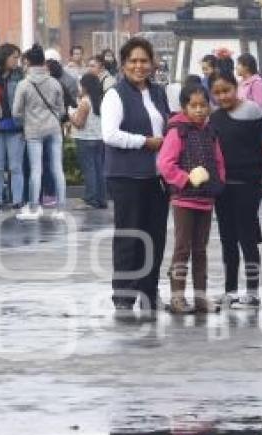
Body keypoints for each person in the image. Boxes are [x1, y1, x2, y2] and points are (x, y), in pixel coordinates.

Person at [101, 37, 171, 314]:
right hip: (127, 176)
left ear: (152, 64)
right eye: (133, 61)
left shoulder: (158, 93)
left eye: (144, 61)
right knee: (130, 236)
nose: (139, 66)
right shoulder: (115, 94)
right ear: (123, 64)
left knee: (155, 237)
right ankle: (124, 296)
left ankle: (149, 293)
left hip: (156, 177)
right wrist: (145, 141)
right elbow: (110, 135)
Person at [157, 83, 226, 314]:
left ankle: (200, 297)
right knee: (182, 248)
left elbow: (218, 162)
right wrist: (185, 179)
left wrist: (219, 182)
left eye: (203, 105)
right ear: (184, 107)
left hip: (206, 200)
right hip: (184, 200)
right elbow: (165, 164)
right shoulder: (178, 131)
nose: (198, 110)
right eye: (193, 106)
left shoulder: (210, 131)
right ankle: (177, 297)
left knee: (200, 249)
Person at [209, 72, 262, 309]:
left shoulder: (253, 111)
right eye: (218, 92)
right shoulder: (215, 118)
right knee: (227, 239)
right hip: (223, 188)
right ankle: (230, 290)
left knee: (247, 238)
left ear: (236, 88)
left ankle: (252, 292)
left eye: (227, 90)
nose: (223, 96)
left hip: (248, 186)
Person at [13, 44, 66, 219]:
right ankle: (61, 209)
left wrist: (26, 119)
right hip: (54, 128)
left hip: (33, 130)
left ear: (27, 62)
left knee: (36, 170)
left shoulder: (24, 84)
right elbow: (62, 110)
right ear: (44, 61)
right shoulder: (55, 82)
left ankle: (34, 208)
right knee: (57, 169)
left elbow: (16, 112)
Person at [0, 43, 25, 212]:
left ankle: (17, 200)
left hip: (15, 126)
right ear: (4, 56)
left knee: (16, 166)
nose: (17, 61)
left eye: (18, 58)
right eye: (14, 57)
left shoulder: (20, 76)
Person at [70, 73, 107, 209]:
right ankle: (101, 199)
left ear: (85, 86)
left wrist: (70, 114)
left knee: (89, 170)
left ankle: (91, 199)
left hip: (85, 139)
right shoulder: (101, 101)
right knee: (99, 169)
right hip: (99, 138)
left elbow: (79, 123)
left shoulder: (85, 102)